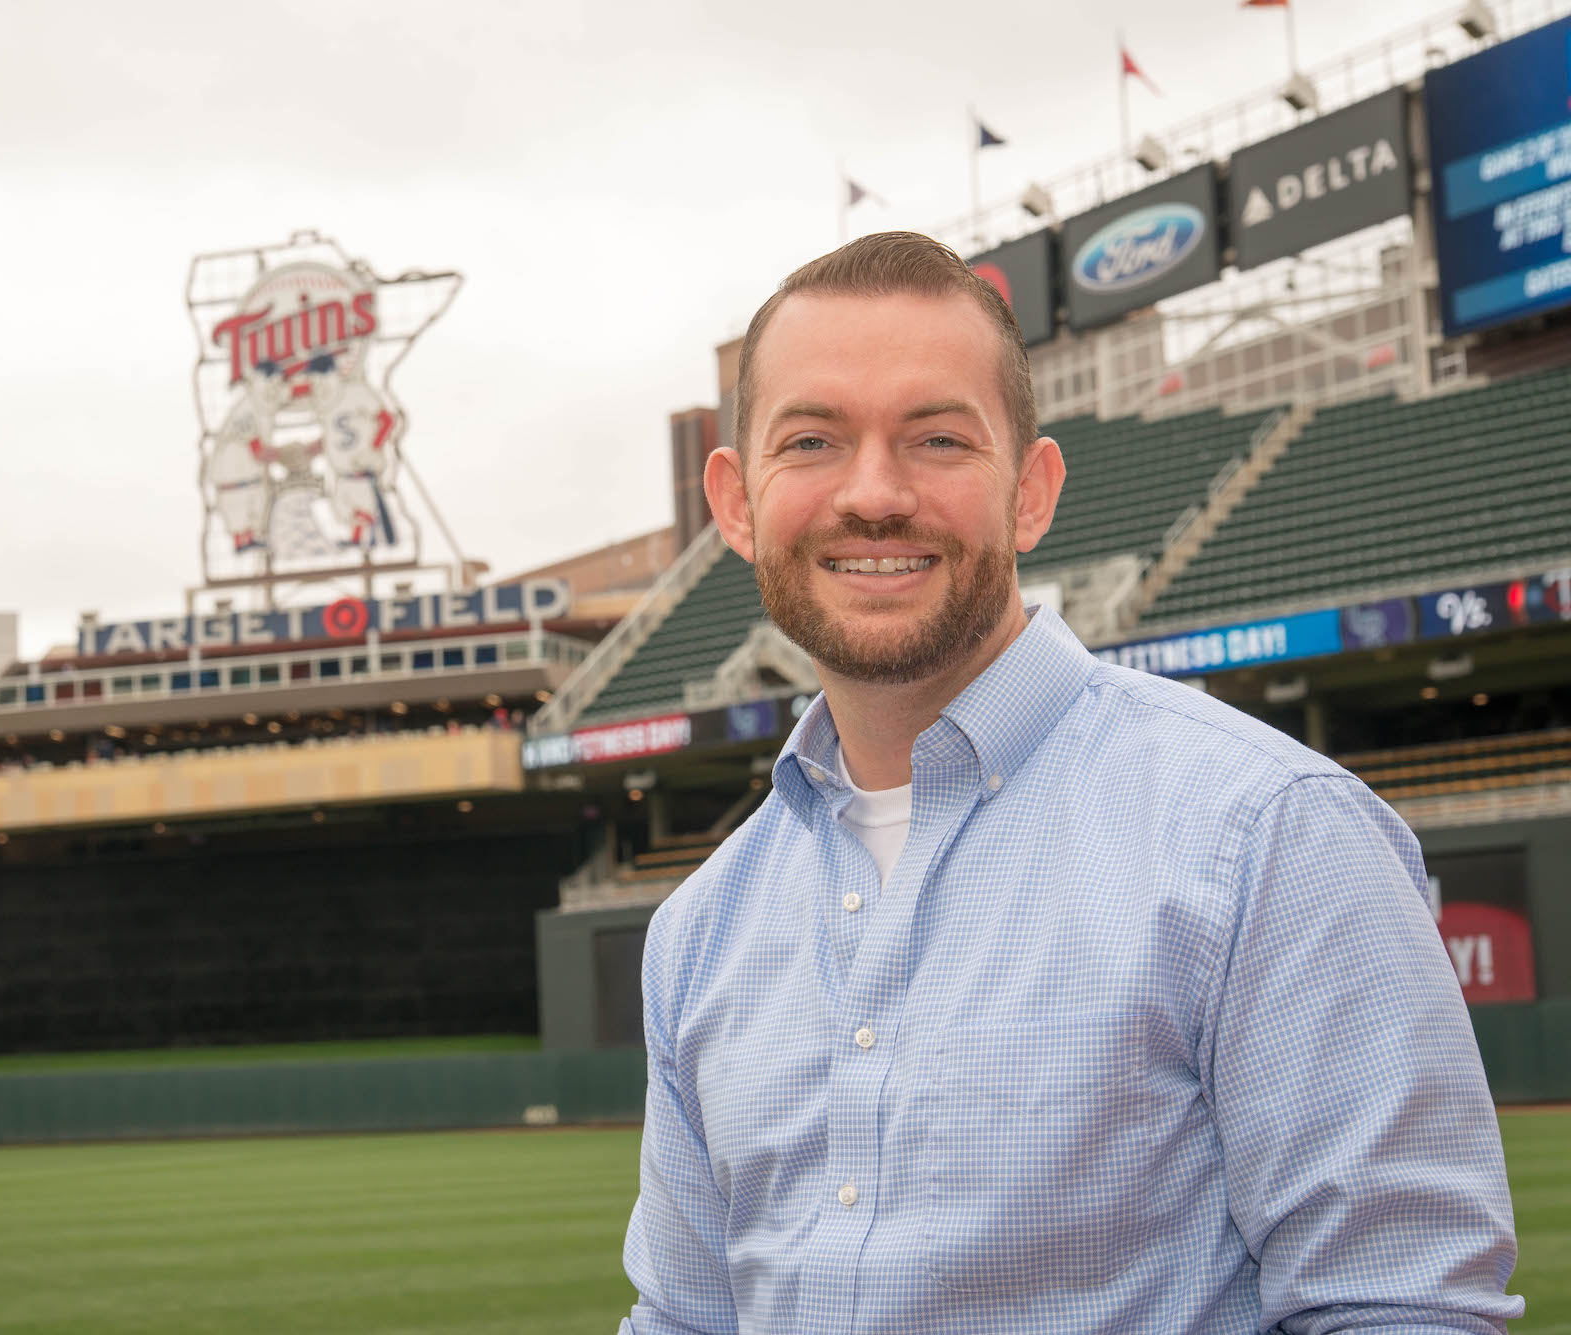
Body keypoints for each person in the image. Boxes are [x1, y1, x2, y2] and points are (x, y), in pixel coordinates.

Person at [619, 232, 1520, 1334]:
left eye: (937, 438)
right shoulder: (699, 928)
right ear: (736, 502)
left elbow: (1398, 1306)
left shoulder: (1265, 835)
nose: (872, 493)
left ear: (1030, 493)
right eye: (810, 440)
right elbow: (680, 1319)